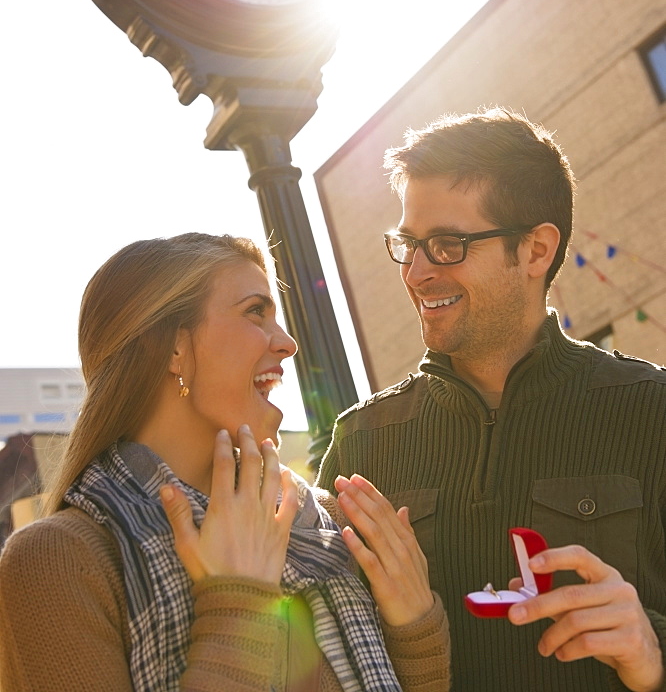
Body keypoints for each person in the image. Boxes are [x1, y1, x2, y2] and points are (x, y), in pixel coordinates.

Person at [0, 232, 450, 692]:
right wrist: (237, 608)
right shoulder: (59, 562)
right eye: (256, 311)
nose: (288, 343)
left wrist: (415, 636)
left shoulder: (327, 526)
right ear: (174, 348)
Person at [317, 108, 666, 692]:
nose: (418, 273)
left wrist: (654, 652)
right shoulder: (362, 445)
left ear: (535, 251)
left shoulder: (652, 413)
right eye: (410, 245)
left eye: (448, 245)